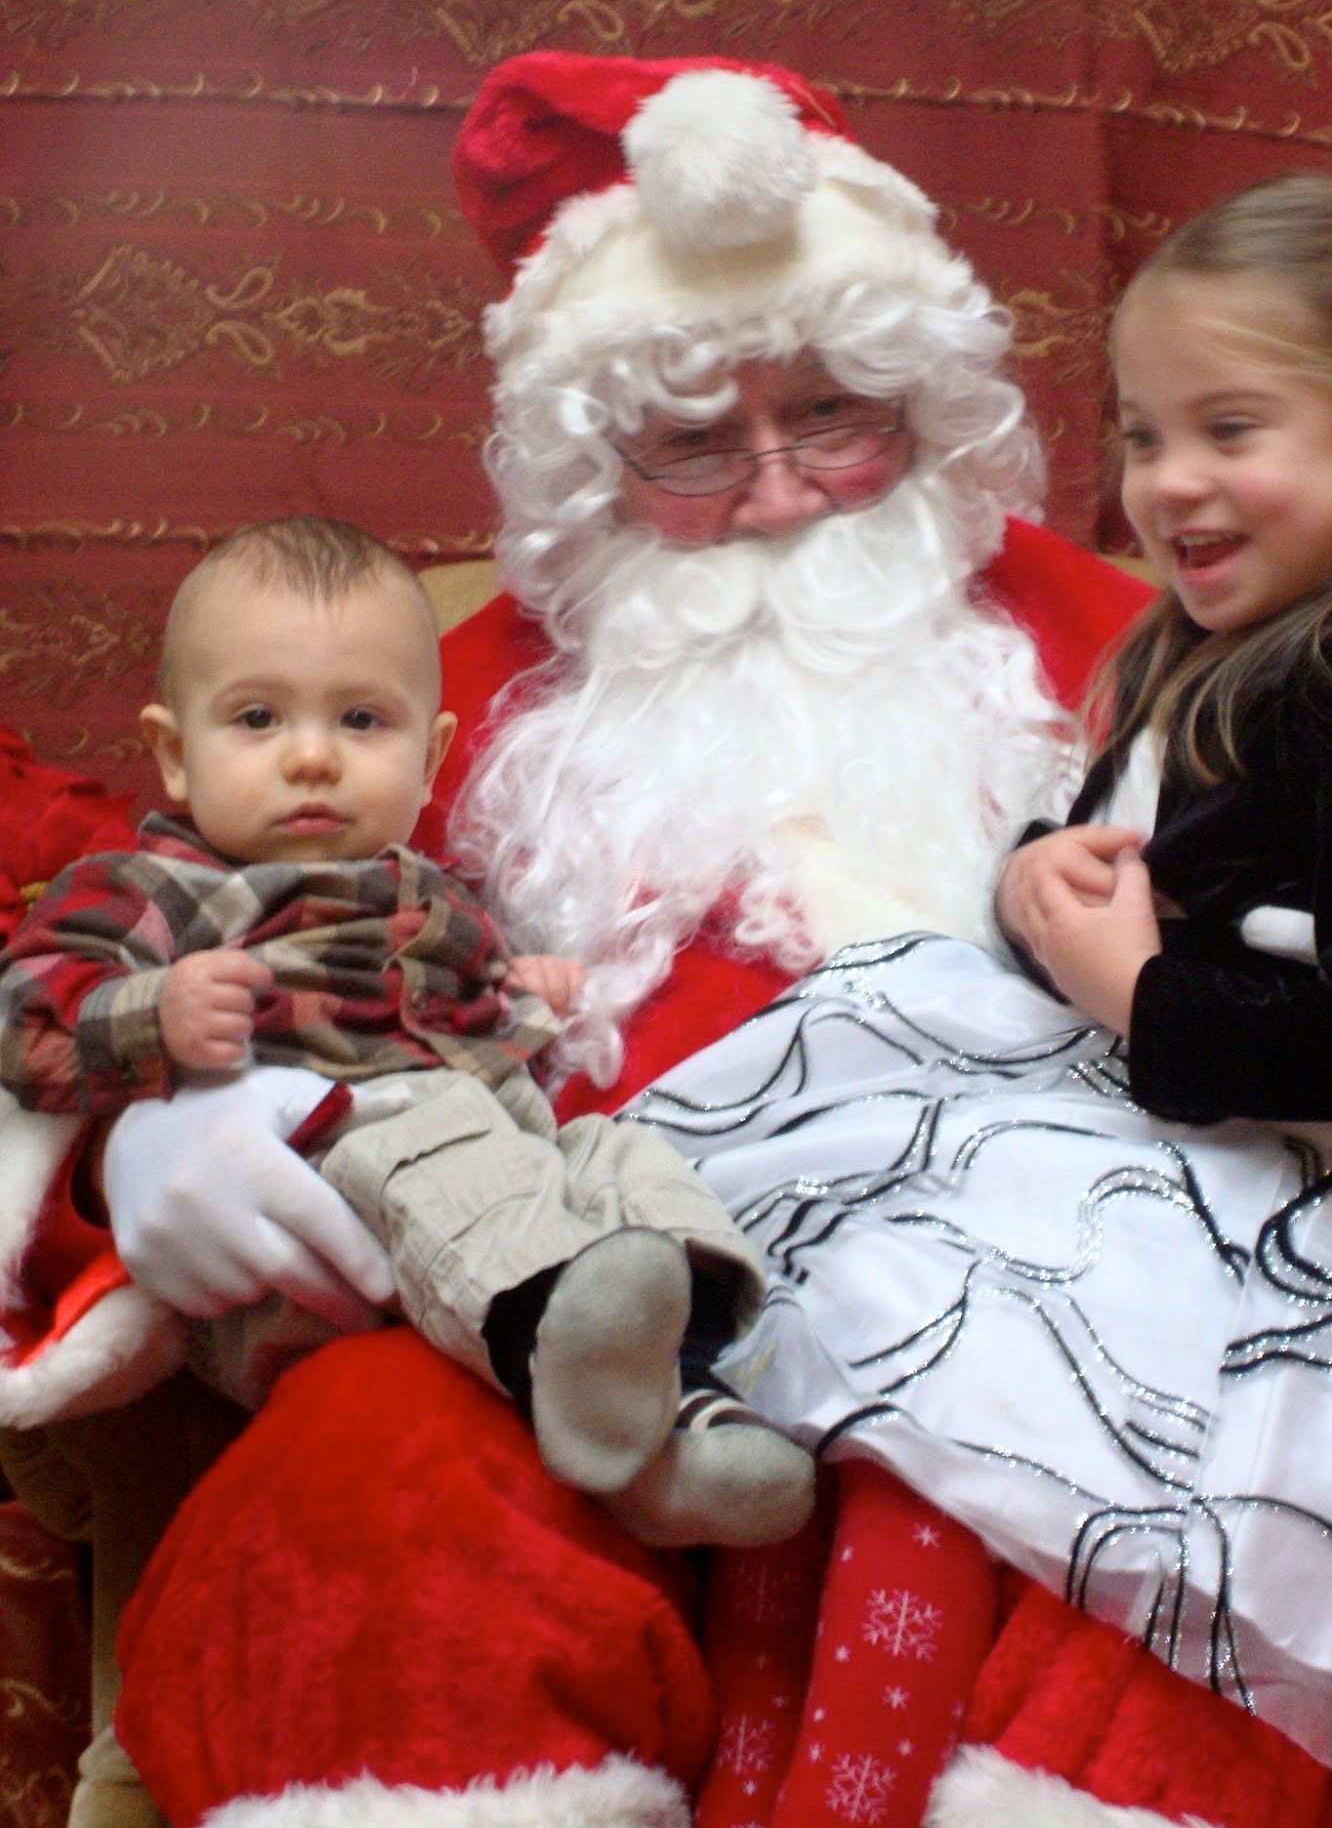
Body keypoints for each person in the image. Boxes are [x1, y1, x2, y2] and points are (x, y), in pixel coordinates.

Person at [1, 52, 1332, 1828]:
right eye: (695, 443)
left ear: (922, 406)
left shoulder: (1155, 640)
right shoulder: (433, 705)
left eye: (836, 418)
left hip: (1072, 1352)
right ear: (589, 462)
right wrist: (167, 1120)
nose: (781, 494)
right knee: (358, 1482)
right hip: (575, 1351)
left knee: (1249, 1519)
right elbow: (160, 893)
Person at [625, 170, 1332, 1811]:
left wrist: (1137, 996)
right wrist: (1042, 877)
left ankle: (839, 1788)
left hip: (1304, 1211)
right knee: (849, 1351)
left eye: (1229, 429)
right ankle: (760, 1767)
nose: (1171, 483)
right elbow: (1138, 855)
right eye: (1145, 434)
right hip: (1153, 1143)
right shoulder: (1198, 645)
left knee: (943, 1405)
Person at [0, 513, 813, 1551]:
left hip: (472, 1169)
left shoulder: (437, 898)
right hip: (303, 1213)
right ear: (173, 751)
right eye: (256, 717)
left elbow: (471, 1021)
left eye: (361, 721)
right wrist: (150, 1015)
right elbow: (26, 1011)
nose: (309, 756)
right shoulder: (157, 887)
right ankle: (559, 1337)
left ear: (429, 757)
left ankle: (677, 1402)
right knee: (422, 1132)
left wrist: (524, 993)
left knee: (616, 1152)